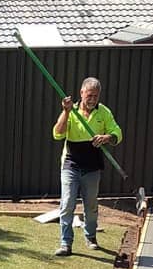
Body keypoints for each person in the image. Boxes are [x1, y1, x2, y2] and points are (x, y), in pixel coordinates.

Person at [52, 77, 122, 257]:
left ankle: (90, 237)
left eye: (96, 96)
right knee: (67, 204)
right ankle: (65, 243)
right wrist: (66, 112)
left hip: (92, 167)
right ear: (81, 93)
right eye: (89, 95)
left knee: (90, 205)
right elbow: (57, 134)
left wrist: (107, 137)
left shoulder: (103, 112)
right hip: (71, 165)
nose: (92, 100)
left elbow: (117, 133)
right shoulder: (71, 111)